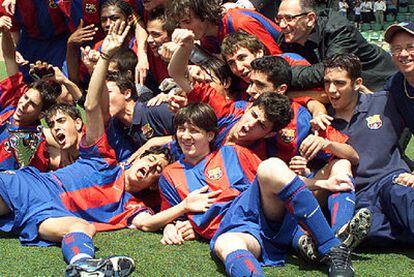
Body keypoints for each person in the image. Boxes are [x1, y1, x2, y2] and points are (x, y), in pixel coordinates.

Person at [0, 20, 177, 276]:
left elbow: (148, 223)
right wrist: (105, 57)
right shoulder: (103, 160)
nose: (149, 166)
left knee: (83, 228)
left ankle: (83, 266)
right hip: (29, 188)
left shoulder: (128, 204)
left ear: (152, 184)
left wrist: (182, 211)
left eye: (155, 170)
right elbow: (92, 107)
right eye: (149, 161)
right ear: (135, 159)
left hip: (48, 214)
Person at [158, 101, 356, 277]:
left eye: (193, 131)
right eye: (181, 129)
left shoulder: (234, 152)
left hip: (257, 211)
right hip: (231, 229)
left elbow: (275, 182)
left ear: (210, 135)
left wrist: (321, 184)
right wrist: (173, 221)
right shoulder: (169, 174)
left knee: (271, 166)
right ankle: (301, 242)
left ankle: (332, 249)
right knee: (226, 245)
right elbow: (168, 216)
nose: (185, 136)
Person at [324, 53, 414, 247]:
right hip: (359, 195)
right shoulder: (322, 120)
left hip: (391, 180)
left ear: (357, 83)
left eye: (339, 83)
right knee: (362, 229)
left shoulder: (384, 102)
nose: (332, 90)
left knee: (401, 195)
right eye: (327, 83)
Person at [276, 0, 396, 92]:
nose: (282, 25)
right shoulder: (287, 37)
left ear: (310, 19)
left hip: (380, 83)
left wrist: (279, 75)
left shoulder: (339, 29)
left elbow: (330, 71)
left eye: (289, 18)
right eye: (279, 18)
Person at [166, 0, 283, 55]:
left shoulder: (240, 22)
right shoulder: (206, 37)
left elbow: (277, 58)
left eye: (187, 21)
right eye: (180, 23)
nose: (183, 28)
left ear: (205, 15)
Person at [384, 22, 414, 134]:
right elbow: (376, 103)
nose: (403, 54)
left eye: (410, 47)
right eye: (397, 48)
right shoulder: (395, 83)